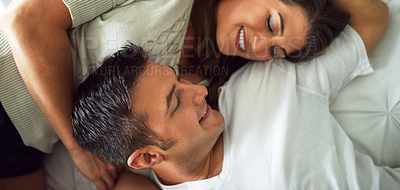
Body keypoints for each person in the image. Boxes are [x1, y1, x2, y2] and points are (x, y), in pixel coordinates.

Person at [0, 0, 385, 190]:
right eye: (270, 21)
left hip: (30, 148)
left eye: (277, 50)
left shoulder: (209, 87)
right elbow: (26, 20)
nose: (261, 44)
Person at [72, 22, 398, 188]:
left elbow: (371, 21)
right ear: (147, 157)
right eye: (175, 102)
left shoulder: (261, 84)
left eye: (179, 80)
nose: (197, 92)